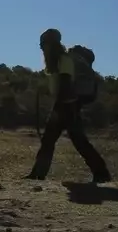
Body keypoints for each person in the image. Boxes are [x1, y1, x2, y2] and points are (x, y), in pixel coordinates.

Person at [27, 28, 111, 182]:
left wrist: (61, 108)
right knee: (71, 140)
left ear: (51, 44)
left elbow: (66, 84)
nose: (41, 47)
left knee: (66, 140)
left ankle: (38, 174)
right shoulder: (57, 60)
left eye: (43, 43)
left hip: (67, 105)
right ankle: (38, 174)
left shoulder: (62, 60)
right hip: (66, 105)